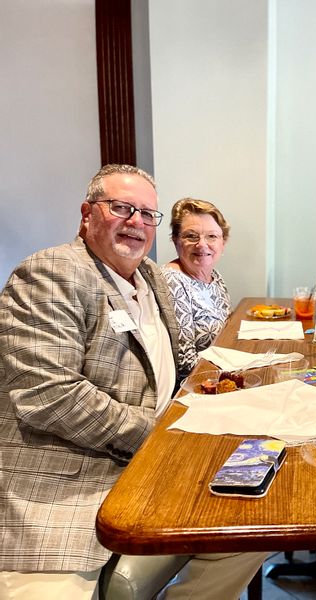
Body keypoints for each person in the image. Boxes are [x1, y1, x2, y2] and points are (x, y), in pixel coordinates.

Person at [0, 164, 266, 599]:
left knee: (255, 516)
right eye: (121, 208)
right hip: (67, 483)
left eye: (147, 214)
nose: (137, 222)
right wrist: (161, 436)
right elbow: (50, 397)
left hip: (155, 463)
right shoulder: (51, 273)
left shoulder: (150, 277)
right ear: (87, 214)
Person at [162, 198, 231, 381]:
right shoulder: (173, 281)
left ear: (223, 242)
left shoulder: (215, 277)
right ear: (176, 240)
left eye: (212, 236)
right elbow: (184, 363)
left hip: (221, 372)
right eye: (191, 236)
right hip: (194, 386)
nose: (202, 244)